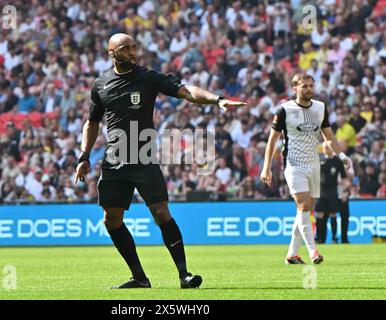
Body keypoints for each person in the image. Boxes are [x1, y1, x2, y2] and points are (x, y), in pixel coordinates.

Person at [74, 33, 246, 289]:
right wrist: (84, 156)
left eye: (135, 47)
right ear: (112, 53)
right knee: (111, 220)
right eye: (126, 48)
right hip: (114, 160)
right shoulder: (101, 84)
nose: (133, 52)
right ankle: (139, 278)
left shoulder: (148, 77)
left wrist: (217, 99)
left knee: (162, 213)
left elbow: (186, 90)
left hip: (143, 158)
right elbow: (93, 122)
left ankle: (184, 275)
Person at [260, 73, 351, 265]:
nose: (309, 89)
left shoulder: (320, 107)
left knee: (306, 209)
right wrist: (266, 167)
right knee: (303, 206)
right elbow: (272, 141)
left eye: (311, 86)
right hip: (294, 164)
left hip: (314, 164)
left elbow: (329, 136)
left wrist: (342, 156)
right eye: (304, 86)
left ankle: (292, 254)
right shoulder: (284, 110)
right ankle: (313, 252)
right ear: (295, 88)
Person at [314, 141, 349, 244]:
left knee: (333, 213)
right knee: (319, 214)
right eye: (324, 147)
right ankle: (319, 237)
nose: (325, 149)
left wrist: (344, 191)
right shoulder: (319, 159)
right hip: (320, 191)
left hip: (333, 190)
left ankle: (334, 237)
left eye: (327, 147)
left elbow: (343, 177)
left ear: (332, 148)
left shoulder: (337, 161)